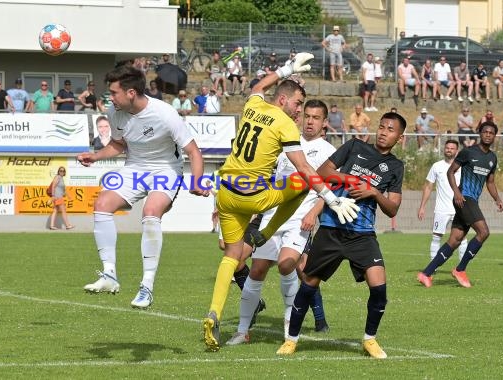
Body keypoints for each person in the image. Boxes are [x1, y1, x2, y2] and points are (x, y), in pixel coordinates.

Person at [202, 52, 360, 352]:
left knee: (256, 260)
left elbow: (257, 88)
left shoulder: (253, 105)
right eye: (299, 106)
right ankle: (245, 328)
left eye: (310, 113)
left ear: (324, 123)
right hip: (264, 203)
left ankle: (221, 314)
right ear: (285, 101)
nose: (301, 114)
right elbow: (304, 170)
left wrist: (285, 69)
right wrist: (330, 199)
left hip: (231, 192)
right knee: (299, 187)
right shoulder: (286, 127)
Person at [276, 112, 407, 359]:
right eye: (381, 127)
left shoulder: (395, 167)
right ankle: (291, 340)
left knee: (379, 289)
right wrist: (349, 179)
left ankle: (370, 340)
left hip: (363, 235)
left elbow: (393, 209)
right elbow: (322, 172)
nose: (383, 132)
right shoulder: (354, 146)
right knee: (309, 286)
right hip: (331, 228)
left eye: (390, 130)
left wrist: (374, 193)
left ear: (399, 137)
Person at [78, 65, 209, 309]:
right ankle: (109, 275)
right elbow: (118, 145)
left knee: (150, 212)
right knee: (102, 205)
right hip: (134, 167)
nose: (110, 98)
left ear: (130, 93)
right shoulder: (114, 112)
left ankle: (146, 285)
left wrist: (198, 181)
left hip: (166, 169)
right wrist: (95, 156)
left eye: (114, 93)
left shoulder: (164, 113)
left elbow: (193, 151)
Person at [225, 99, 336, 347]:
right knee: (257, 270)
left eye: (316, 117)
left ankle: (290, 331)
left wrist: (315, 212)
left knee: (287, 265)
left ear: (324, 122)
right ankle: (243, 331)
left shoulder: (328, 151)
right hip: (272, 217)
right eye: (307, 115)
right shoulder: (288, 139)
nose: (309, 121)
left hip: (300, 220)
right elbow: (270, 176)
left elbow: (330, 187)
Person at [417, 122, 503, 288]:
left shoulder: (492, 158)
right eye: (485, 131)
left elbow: (490, 182)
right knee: (484, 232)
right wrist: (457, 192)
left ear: (494, 136)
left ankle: (425, 273)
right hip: (464, 199)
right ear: (479, 133)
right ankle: (460, 269)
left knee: (455, 240)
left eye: (491, 133)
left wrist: (497, 199)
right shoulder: (469, 152)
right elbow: (451, 171)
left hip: (471, 201)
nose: (487, 134)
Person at [418, 140, 467, 262]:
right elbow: (429, 186)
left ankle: (461, 267)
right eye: (447, 148)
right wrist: (422, 206)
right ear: (444, 149)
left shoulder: (463, 167)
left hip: (459, 208)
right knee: (436, 237)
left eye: (452, 148)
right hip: (442, 209)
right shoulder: (437, 166)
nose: (449, 150)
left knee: (462, 238)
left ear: (457, 151)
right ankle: (432, 267)